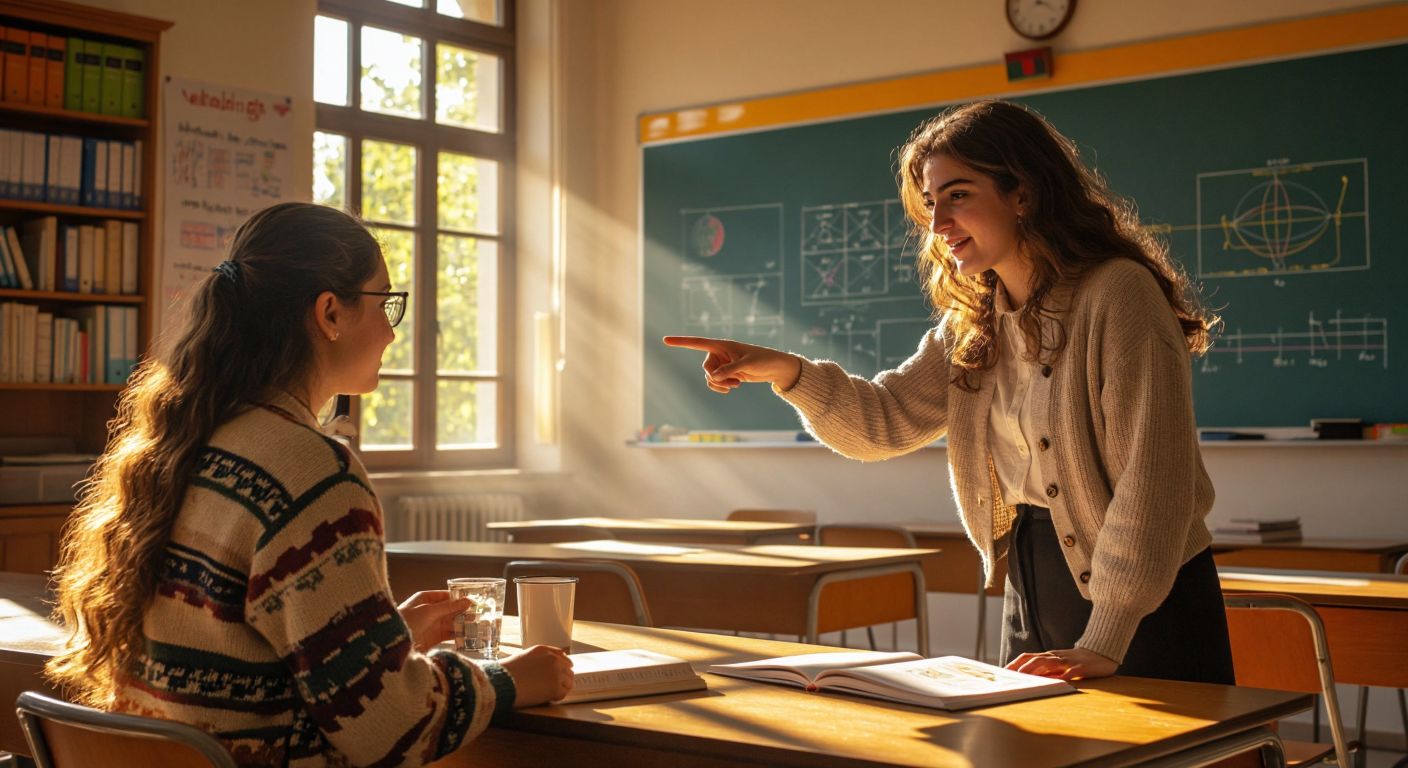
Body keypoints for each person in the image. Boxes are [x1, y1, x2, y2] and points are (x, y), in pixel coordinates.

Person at [665, 100, 1233, 685]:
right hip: (1036, 586)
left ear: (1024, 193)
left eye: (958, 195)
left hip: (1145, 606)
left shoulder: (1118, 295)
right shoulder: (971, 327)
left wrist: (1108, 635)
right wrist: (789, 373)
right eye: (931, 204)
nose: (938, 225)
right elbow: (882, 424)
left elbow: (1154, 484)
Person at [48, 202, 573, 766]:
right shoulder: (313, 473)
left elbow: (242, 656)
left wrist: (384, 639)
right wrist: (512, 679)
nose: (392, 334)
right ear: (329, 314)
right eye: (386, 304)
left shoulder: (188, 441)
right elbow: (391, 727)